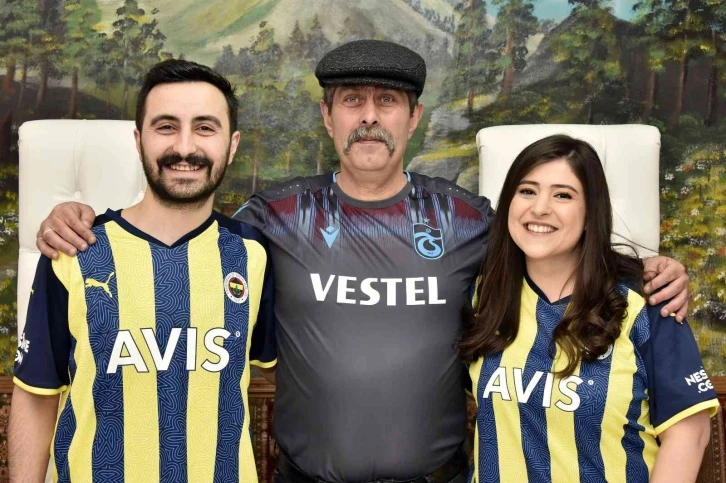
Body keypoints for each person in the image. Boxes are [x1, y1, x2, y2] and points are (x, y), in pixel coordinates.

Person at [35, 41, 690, 483]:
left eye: (387, 102)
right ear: (327, 116)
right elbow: (178, 231)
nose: (369, 117)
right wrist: (74, 217)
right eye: (352, 100)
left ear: (414, 118)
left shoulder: (468, 220)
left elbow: (551, 247)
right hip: (303, 477)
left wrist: (651, 271)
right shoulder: (272, 216)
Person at [10, 59, 276, 483]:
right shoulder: (73, 248)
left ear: (232, 144)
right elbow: (36, 395)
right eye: (166, 126)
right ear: (139, 140)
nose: (185, 147)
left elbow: (282, 371)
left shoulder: (253, 254)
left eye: (205, 128)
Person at [460, 135, 719, 483]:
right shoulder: (480, 295)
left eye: (563, 195)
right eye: (527, 191)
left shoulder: (648, 303)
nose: (539, 208)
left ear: (590, 213)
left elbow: (689, 432)